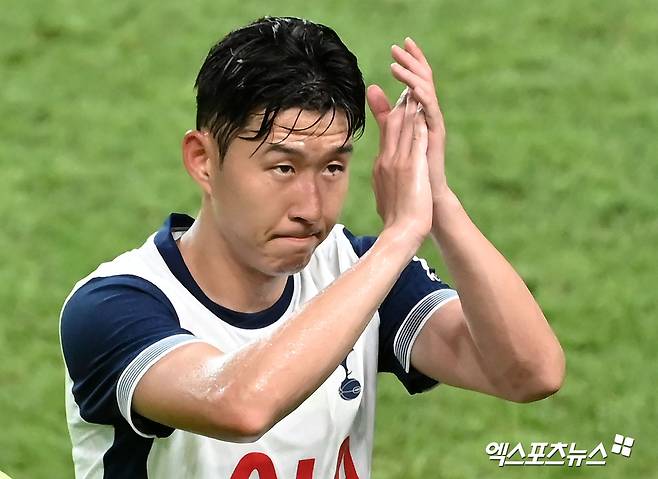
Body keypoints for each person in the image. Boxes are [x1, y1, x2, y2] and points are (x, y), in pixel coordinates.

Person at [59, 16, 565, 478]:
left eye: (333, 167)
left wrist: (438, 201)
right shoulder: (113, 307)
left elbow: (531, 373)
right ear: (203, 160)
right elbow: (240, 405)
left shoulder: (360, 273)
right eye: (284, 167)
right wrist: (400, 236)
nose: (311, 206)